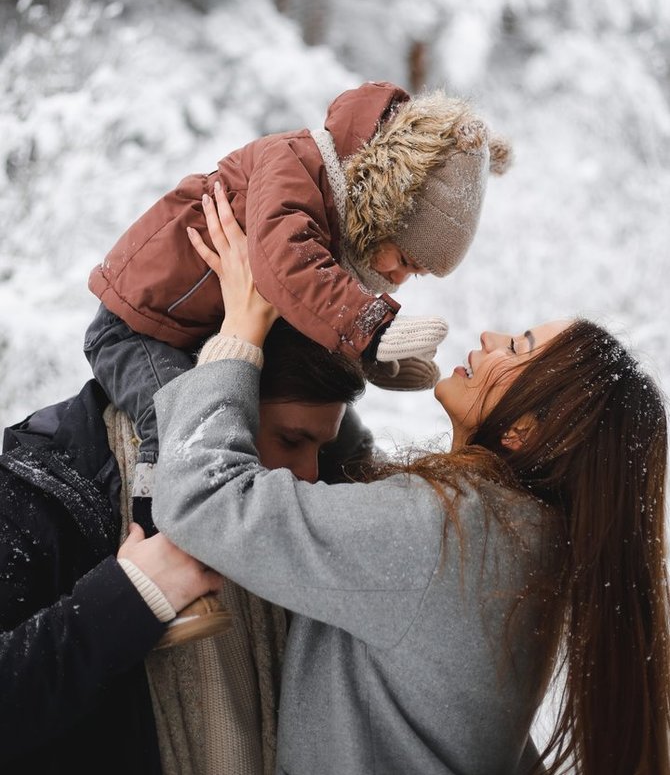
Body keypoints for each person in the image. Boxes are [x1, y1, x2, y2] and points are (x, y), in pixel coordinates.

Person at [153, 185, 670, 775]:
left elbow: (200, 496)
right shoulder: (526, 545)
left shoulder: (455, 533)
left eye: (519, 347)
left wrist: (239, 334)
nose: (490, 339)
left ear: (526, 430)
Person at [84, 80, 511, 529]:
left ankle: (381, 506)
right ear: (386, 208)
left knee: (323, 407)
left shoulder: (333, 219)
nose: (401, 279)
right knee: (177, 420)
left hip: (208, 328)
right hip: (137, 330)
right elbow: (285, 262)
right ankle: (156, 532)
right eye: (405, 260)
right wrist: (371, 329)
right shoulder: (292, 164)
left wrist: (379, 361)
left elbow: (311, 310)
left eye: (415, 274)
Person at [0, 319, 367, 775]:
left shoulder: (308, 504)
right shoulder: (39, 495)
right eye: (291, 440)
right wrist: (128, 596)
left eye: (321, 447)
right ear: (217, 404)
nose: (310, 473)